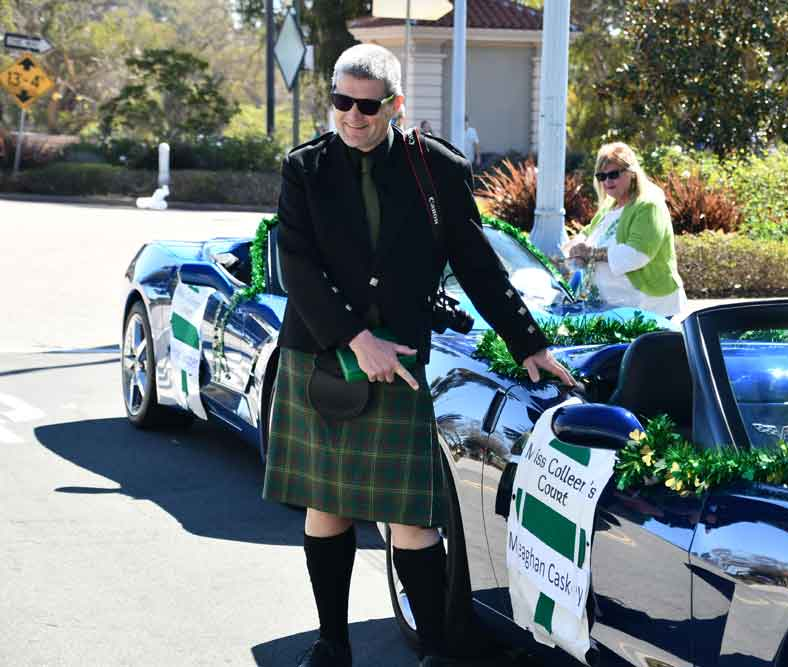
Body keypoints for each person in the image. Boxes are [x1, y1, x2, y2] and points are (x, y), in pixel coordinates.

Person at [262, 43, 574, 667]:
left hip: (401, 359)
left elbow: (476, 263)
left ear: (396, 105)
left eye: (367, 106)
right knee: (328, 507)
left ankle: (435, 649)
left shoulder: (437, 169)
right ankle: (333, 643)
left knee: (412, 516)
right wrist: (356, 338)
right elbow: (295, 265)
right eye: (342, 103)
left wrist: (528, 342)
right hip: (324, 355)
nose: (353, 116)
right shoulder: (305, 168)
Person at [563, 142, 687, 318]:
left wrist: (591, 254)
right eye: (602, 176)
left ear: (632, 173)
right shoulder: (610, 206)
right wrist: (576, 248)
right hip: (613, 310)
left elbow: (636, 255)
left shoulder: (648, 205)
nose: (607, 181)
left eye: (613, 174)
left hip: (649, 310)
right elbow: (587, 233)